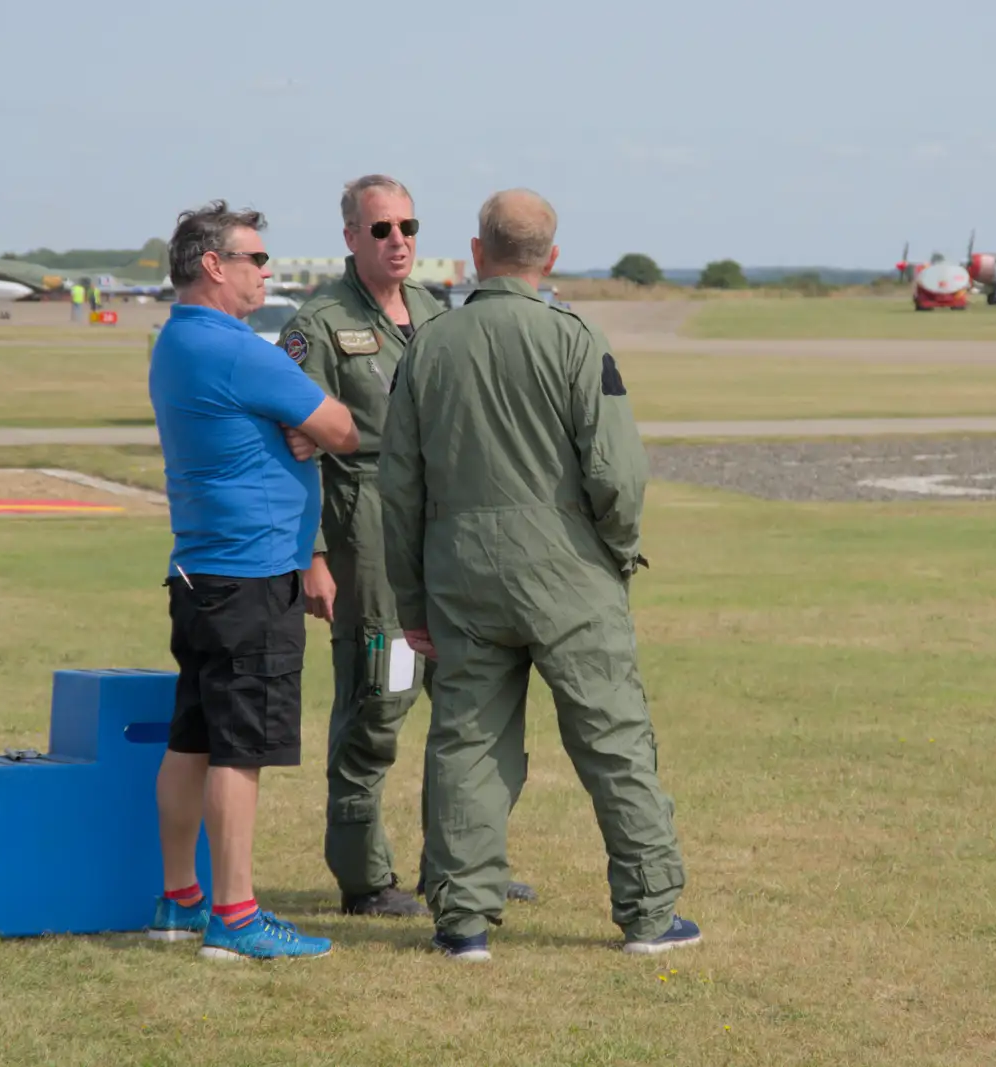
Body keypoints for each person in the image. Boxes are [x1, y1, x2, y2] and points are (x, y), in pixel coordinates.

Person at [377, 188, 701, 961]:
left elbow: (398, 488)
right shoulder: (576, 339)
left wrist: (412, 598)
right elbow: (617, 474)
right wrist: (616, 550)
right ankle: (650, 912)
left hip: (459, 573)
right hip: (567, 570)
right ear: (549, 259)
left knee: (467, 740)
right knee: (612, 737)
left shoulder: (429, 344)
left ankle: (461, 920)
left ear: (477, 251)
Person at [277, 174, 534, 917]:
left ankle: (459, 866)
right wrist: (315, 555)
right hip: (368, 538)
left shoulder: (435, 310)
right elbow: (296, 450)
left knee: (463, 699)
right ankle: (365, 878)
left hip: (443, 533)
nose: (399, 242)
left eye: (409, 227)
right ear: (351, 237)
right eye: (381, 229)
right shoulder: (319, 325)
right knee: (379, 699)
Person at [146, 199, 360, 961]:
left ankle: (180, 898)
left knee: (193, 738)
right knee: (241, 749)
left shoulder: (176, 340)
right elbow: (342, 427)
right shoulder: (239, 348)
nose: (266, 272)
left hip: (200, 570)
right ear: (214, 265)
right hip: (250, 576)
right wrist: (300, 428)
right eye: (256, 259)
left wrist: (286, 428)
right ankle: (235, 919)